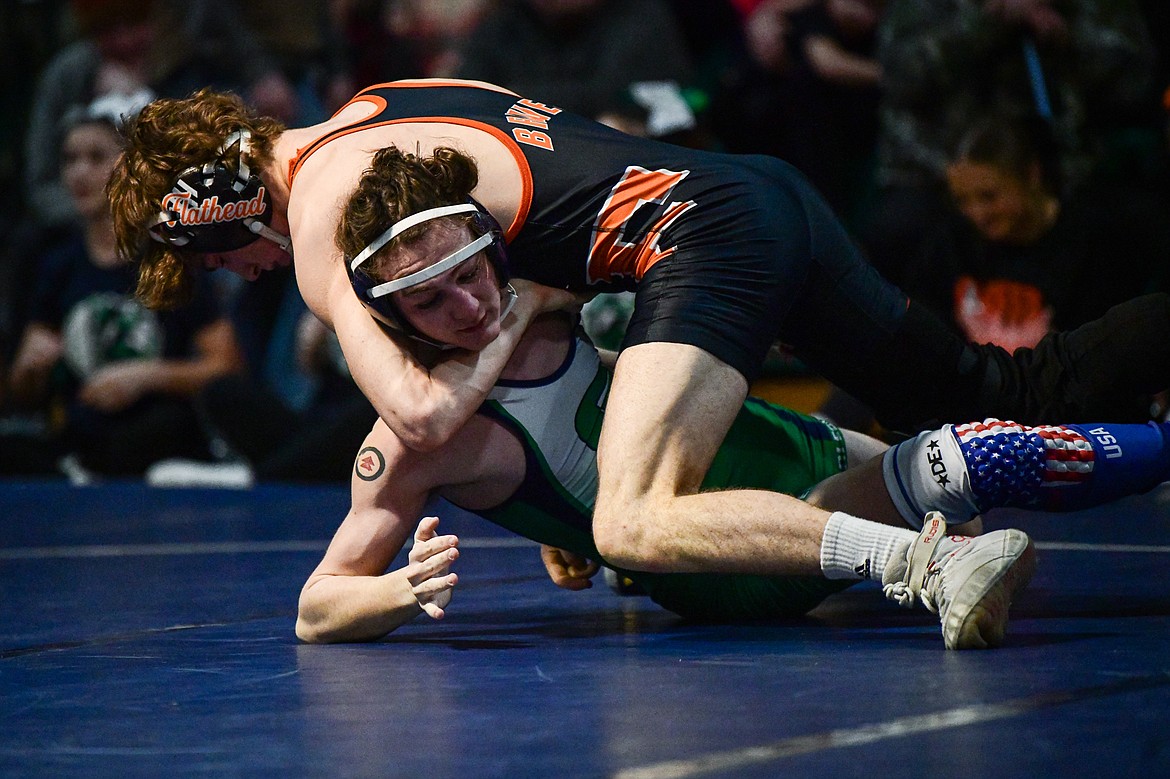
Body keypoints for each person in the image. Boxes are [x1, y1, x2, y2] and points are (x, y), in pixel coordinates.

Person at [108, 80, 1170, 609]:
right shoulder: (379, 110)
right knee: (1009, 389)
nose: (233, 280)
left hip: (702, 243)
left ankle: (930, 568)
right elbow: (544, 214)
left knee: (632, 518)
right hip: (759, 196)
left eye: (212, 261)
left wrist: (519, 319)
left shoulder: (320, 212)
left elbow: (424, 414)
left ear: (221, 212)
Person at [296, 194, 1170, 647]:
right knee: (967, 459)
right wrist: (397, 592)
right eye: (430, 298)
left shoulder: (543, 296)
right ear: (390, 318)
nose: (468, 302)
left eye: (469, 270)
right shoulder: (411, 441)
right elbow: (316, 606)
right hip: (728, 560)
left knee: (961, 484)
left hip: (794, 449)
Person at [3, 92, 243, 477]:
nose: (80, 172)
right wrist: (31, 368)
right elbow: (21, 393)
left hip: (155, 433)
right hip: (78, 432)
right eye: (69, 160)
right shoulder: (55, 264)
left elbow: (226, 368)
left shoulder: (170, 258)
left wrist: (146, 376)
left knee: (163, 428)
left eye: (96, 158)